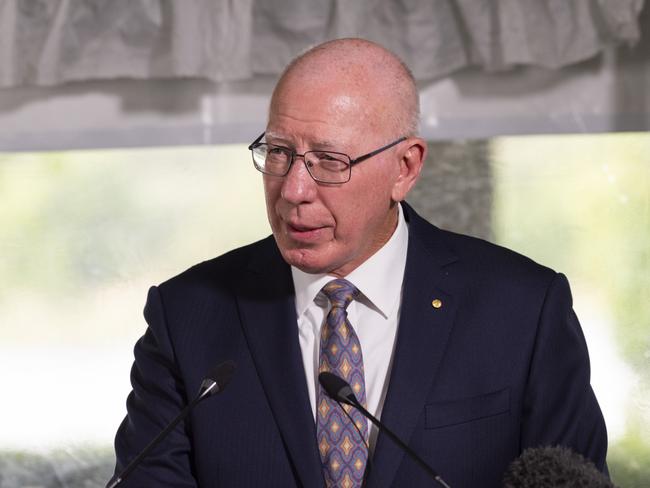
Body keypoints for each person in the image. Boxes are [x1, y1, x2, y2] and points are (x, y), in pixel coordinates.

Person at [110, 38, 608, 488]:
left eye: (330, 161)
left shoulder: (524, 309)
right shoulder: (186, 316)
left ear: (405, 167)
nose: (293, 191)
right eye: (279, 152)